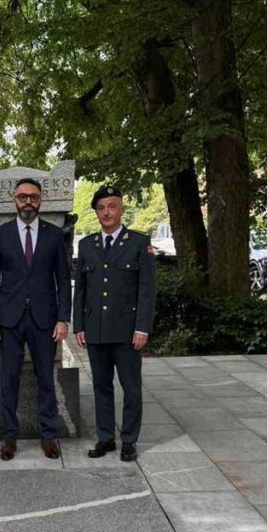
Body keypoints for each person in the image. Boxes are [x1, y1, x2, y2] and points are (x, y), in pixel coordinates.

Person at [0, 177, 71, 461]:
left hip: (45, 320)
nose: (28, 202)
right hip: (8, 320)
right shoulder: (1, 234)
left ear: (40, 200)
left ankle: (49, 436)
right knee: (9, 379)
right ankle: (10, 437)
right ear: (15, 200)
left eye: (33, 197)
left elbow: (63, 279)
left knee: (45, 378)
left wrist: (63, 318)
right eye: (23, 197)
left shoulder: (54, 235)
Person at [73, 186, 156, 462]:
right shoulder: (87, 245)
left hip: (127, 331)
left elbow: (147, 290)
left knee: (131, 388)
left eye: (111, 206)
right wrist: (79, 326)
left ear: (121, 209)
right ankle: (106, 437)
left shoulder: (138, 243)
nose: (106, 212)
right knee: (101, 386)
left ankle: (129, 440)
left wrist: (142, 327)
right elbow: (81, 289)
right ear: (96, 213)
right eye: (101, 208)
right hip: (95, 330)